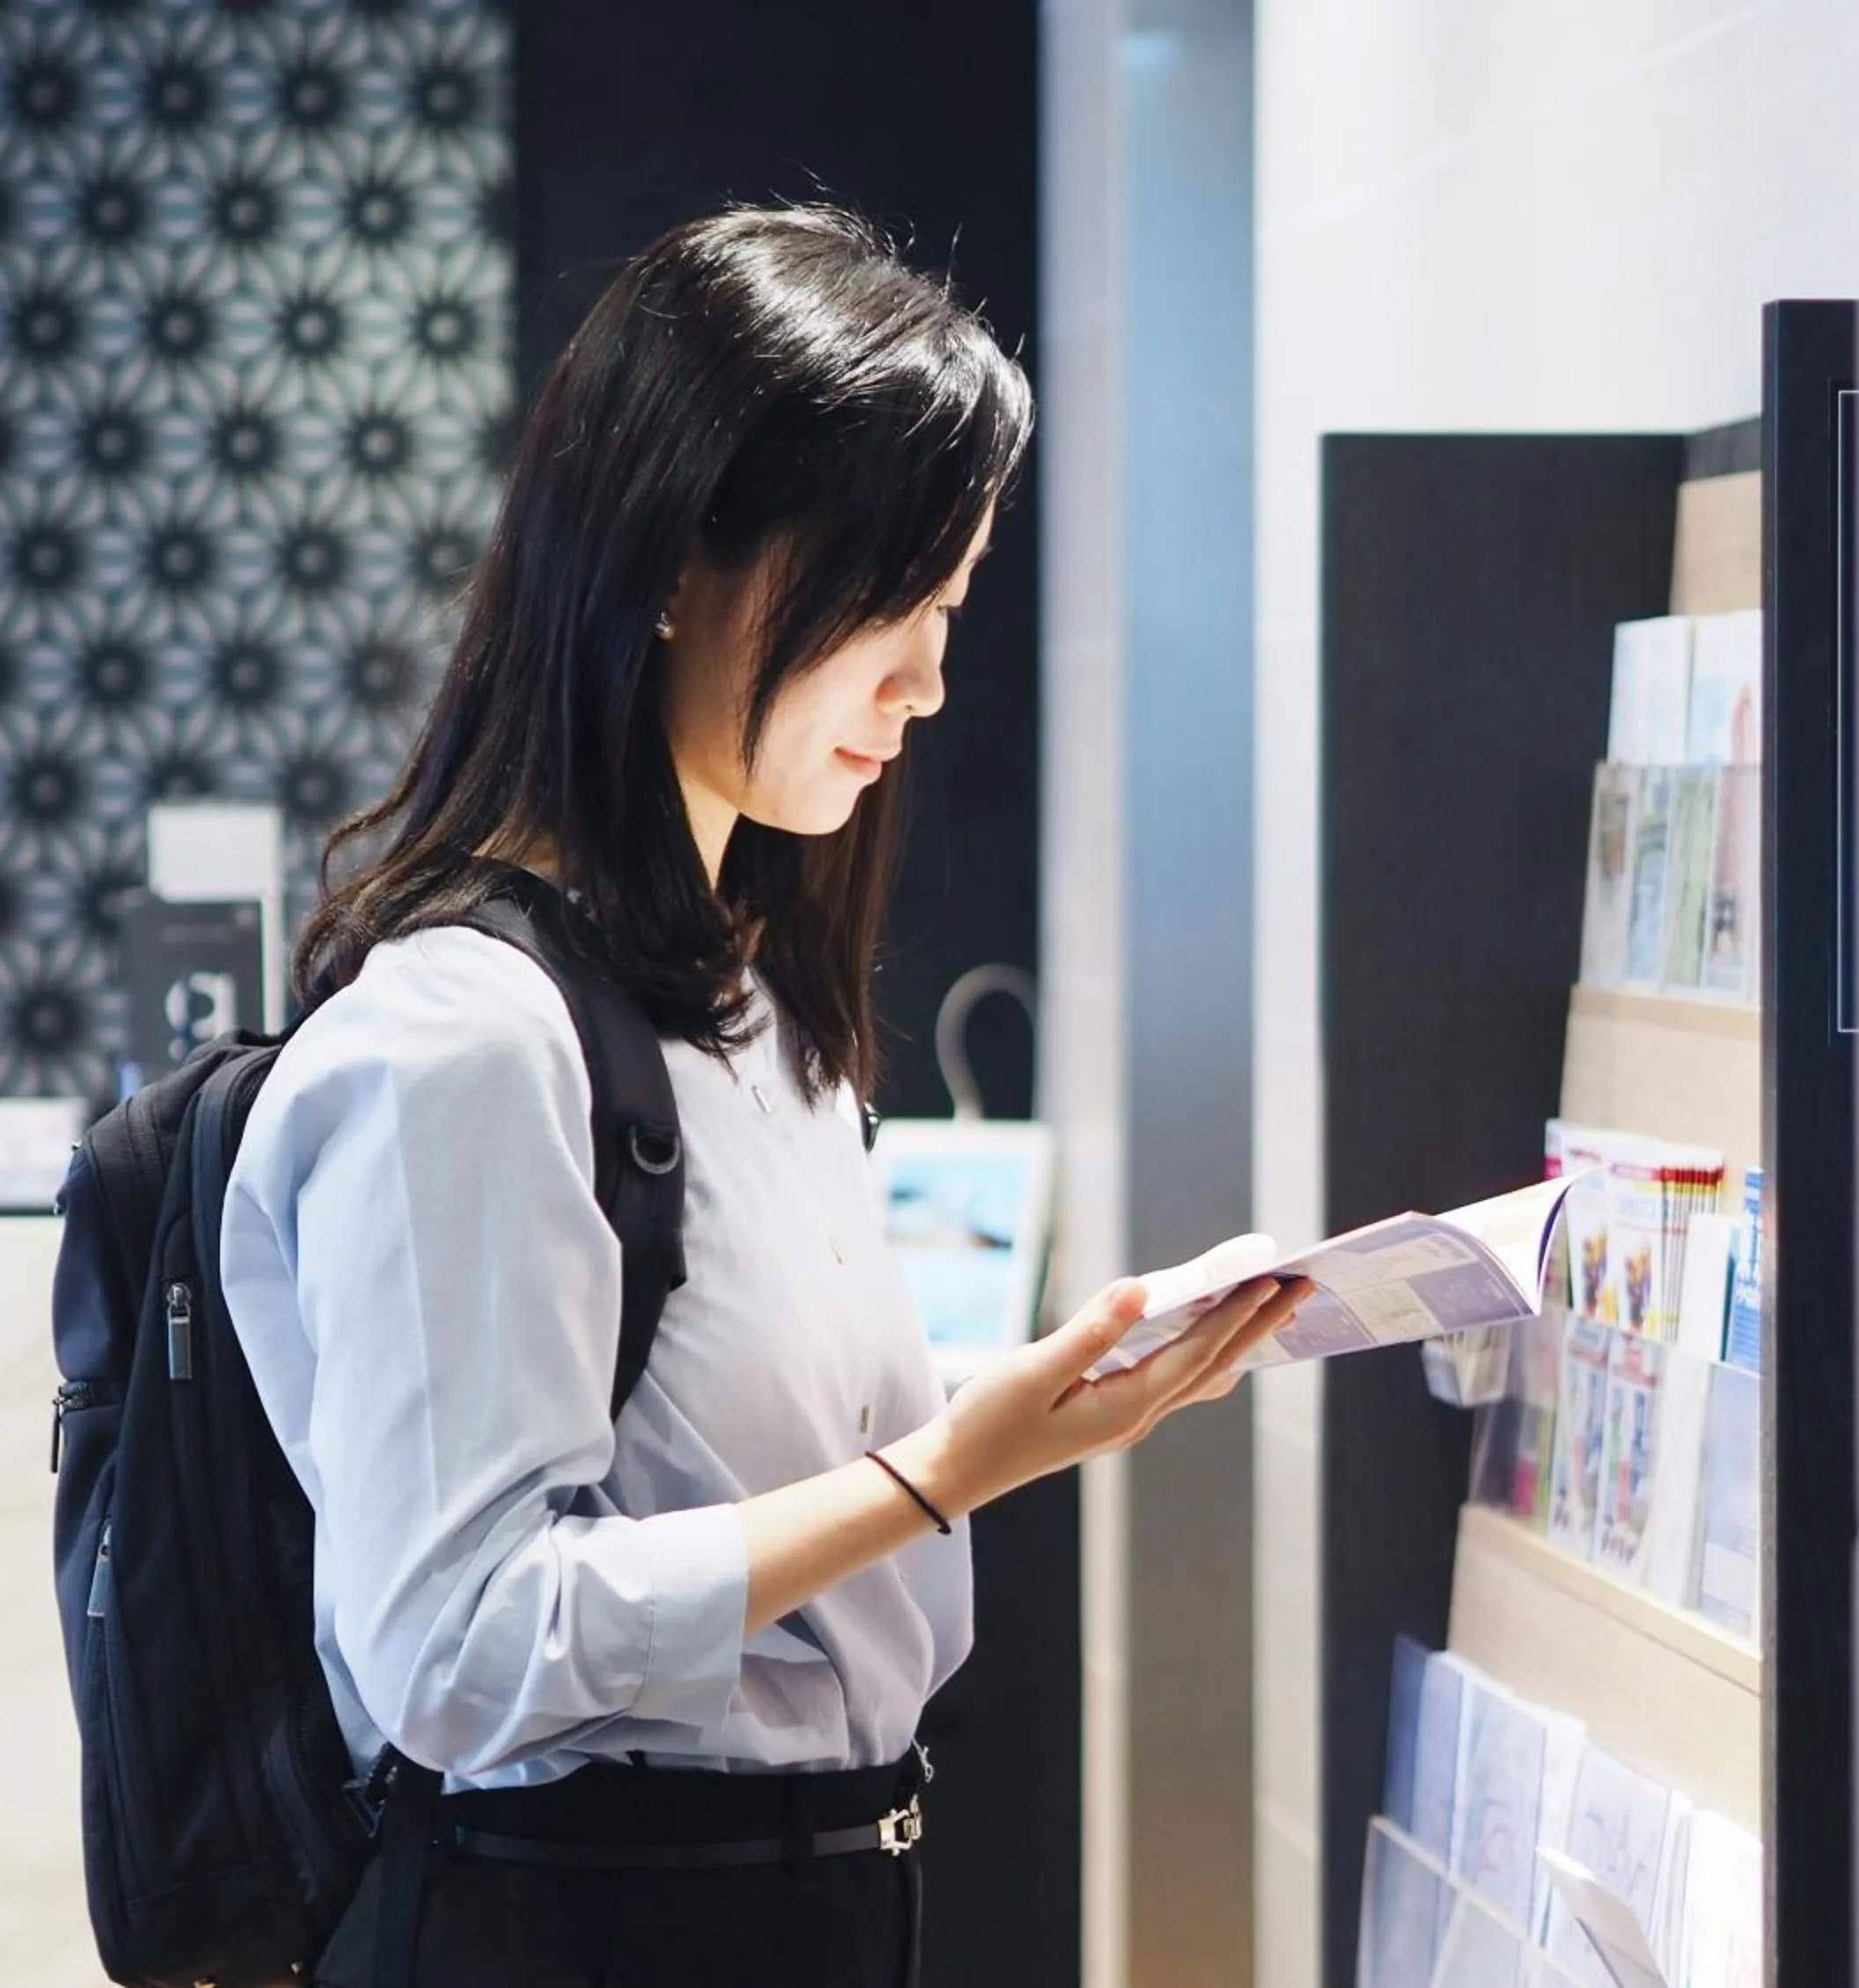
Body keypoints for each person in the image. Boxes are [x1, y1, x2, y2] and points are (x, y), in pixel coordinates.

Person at [218, 204, 1307, 1988]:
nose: (930, 684)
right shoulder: (467, 1040)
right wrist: (948, 1468)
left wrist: (1008, 1424)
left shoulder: (752, 1008)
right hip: (580, 1920)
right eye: (895, 605)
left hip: (800, 1898)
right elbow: (461, 1649)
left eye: (949, 610)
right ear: (673, 562)